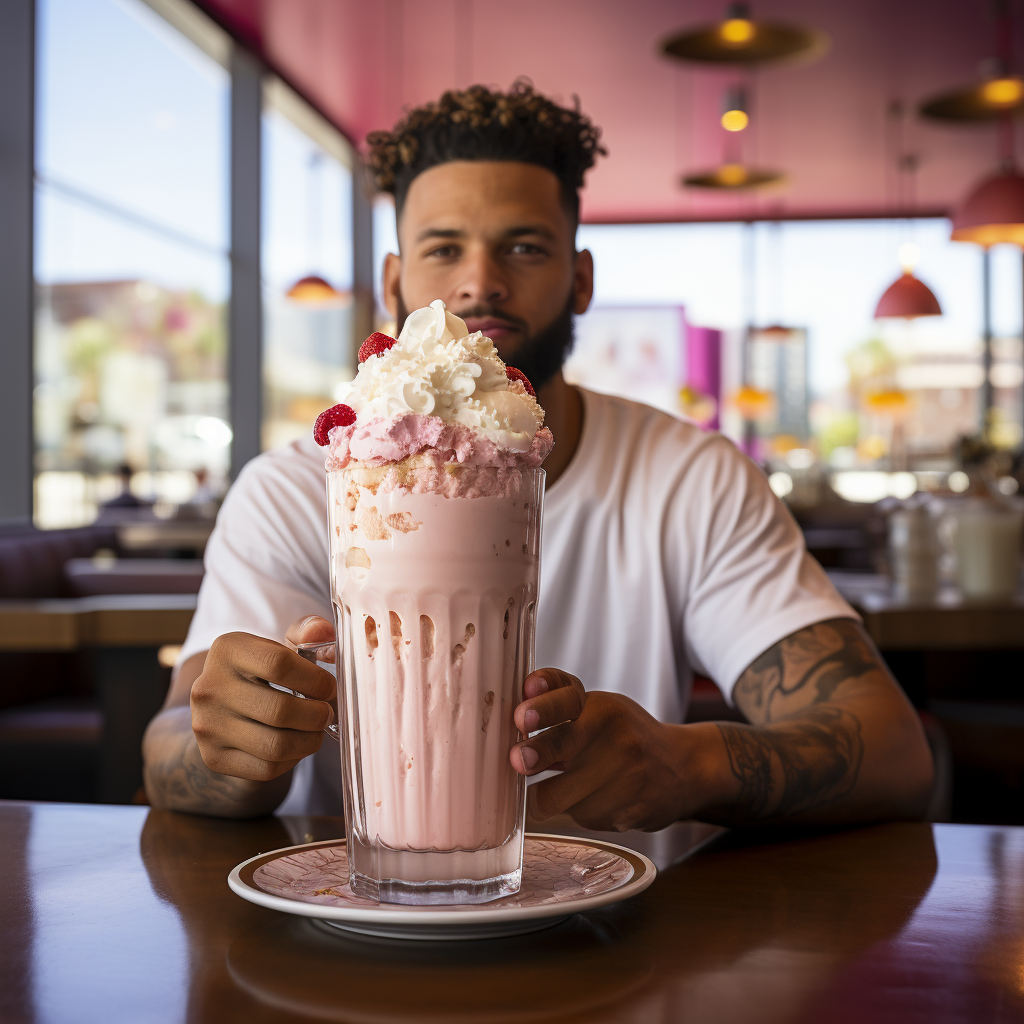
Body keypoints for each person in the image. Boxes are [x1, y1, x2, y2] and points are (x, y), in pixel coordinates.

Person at [143, 81, 933, 827]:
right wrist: (228, 744)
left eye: (523, 247)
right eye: (443, 249)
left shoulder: (689, 479)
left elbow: (895, 752)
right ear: (394, 281)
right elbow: (170, 747)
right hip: (351, 919)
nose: (479, 283)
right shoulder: (289, 491)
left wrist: (689, 761)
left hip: (624, 938)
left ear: (580, 279)